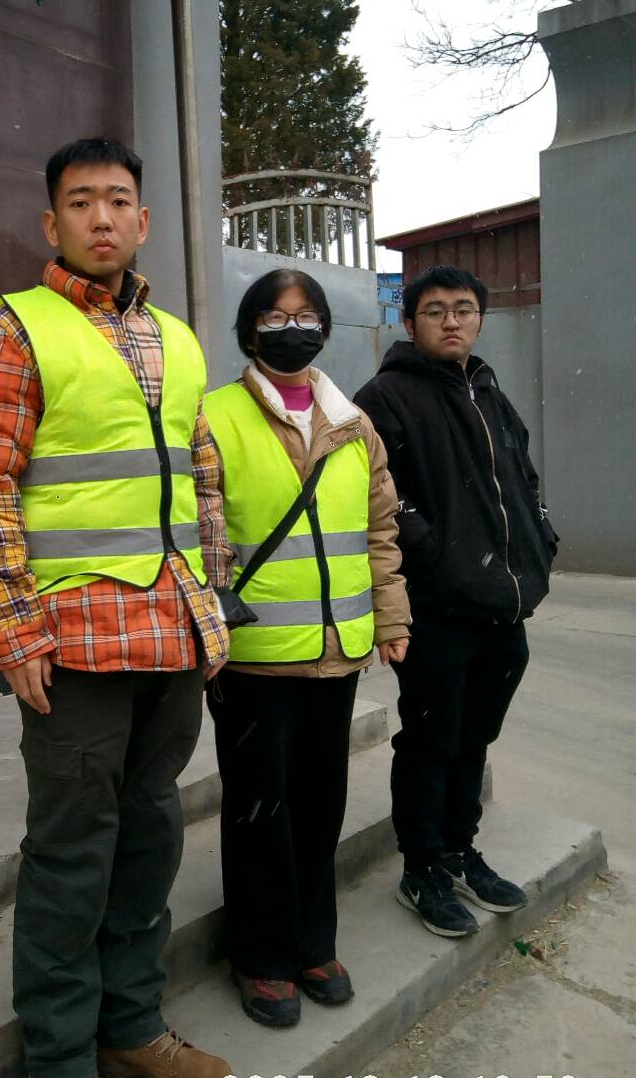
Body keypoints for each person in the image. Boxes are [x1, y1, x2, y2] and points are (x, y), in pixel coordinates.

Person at [0, 138, 234, 1078]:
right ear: (52, 224)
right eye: (81, 203)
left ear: (143, 221)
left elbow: (200, 479)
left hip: (171, 636)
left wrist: (210, 604)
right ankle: (61, 1064)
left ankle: (131, 1025)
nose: (102, 218)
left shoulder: (177, 338)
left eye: (118, 201)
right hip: (71, 645)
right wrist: (11, 625)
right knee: (73, 855)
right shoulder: (16, 328)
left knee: (150, 839)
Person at [203, 268, 410, 1028]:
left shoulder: (352, 422)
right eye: (275, 316)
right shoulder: (214, 416)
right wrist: (208, 628)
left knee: (321, 803)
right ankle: (262, 955)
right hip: (252, 655)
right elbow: (201, 530)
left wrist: (391, 619)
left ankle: (314, 942)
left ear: (324, 328)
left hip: (336, 650)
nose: (292, 329)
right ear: (248, 329)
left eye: (305, 316)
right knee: (260, 808)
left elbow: (380, 530)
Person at [354, 265, 558, 938]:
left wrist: (542, 536)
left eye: (464, 309)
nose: (451, 321)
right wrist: (436, 552)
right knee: (431, 740)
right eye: (435, 310)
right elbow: (375, 494)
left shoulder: (490, 392)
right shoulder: (385, 397)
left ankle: (460, 849)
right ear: (409, 321)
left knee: (474, 738)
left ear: (479, 319)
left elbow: (523, 476)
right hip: (436, 609)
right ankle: (422, 868)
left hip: (502, 604)